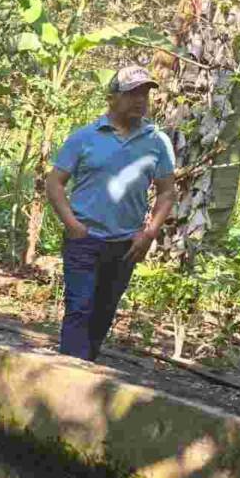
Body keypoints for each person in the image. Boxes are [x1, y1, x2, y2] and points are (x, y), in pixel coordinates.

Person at [45, 65, 177, 361]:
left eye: (145, 93)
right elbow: (54, 182)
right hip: (85, 238)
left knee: (104, 311)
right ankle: (69, 374)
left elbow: (167, 191)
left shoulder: (157, 142)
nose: (140, 100)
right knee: (79, 307)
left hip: (126, 244)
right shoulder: (85, 137)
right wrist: (72, 225)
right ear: (112, 98)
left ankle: (85, 367)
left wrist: (149, 232)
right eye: (132, 93)